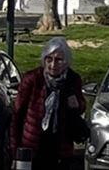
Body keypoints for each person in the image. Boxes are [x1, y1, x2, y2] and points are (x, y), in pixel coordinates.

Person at [11, 37, 86, 170]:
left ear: (66, 62)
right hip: (33, 145)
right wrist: (15, 150)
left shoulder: (73, 79)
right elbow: (17, 114)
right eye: (49, 59)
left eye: (58, 60)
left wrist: (77, 104)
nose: (53, 65)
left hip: (61, 146)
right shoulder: (32, 79)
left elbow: (80, 107)